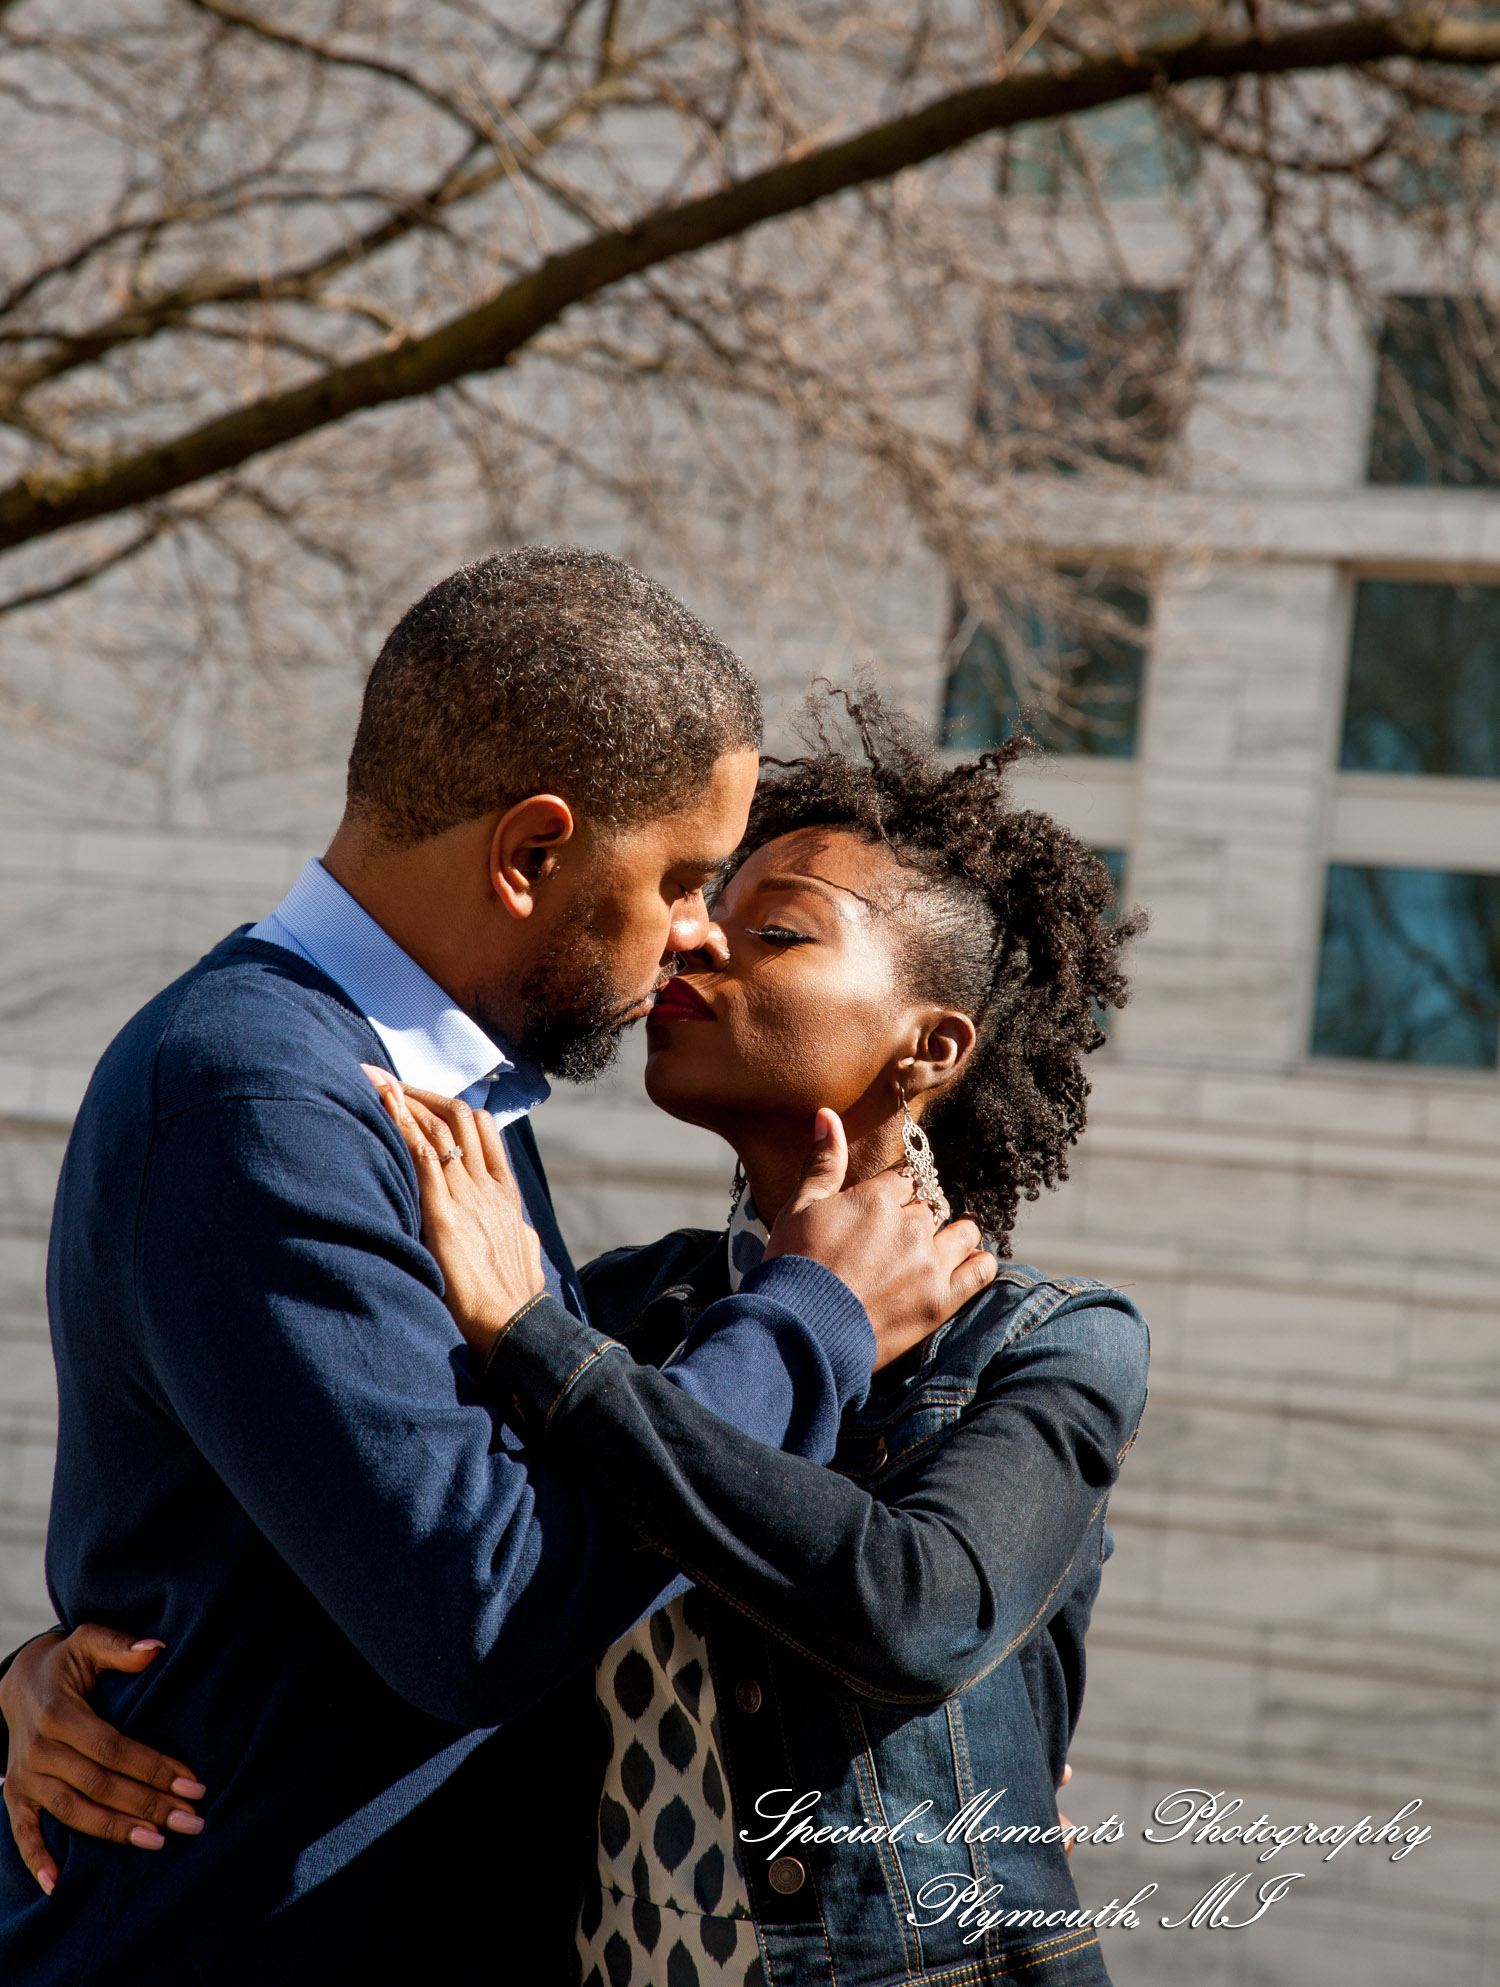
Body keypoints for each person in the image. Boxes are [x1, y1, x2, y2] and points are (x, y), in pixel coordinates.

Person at [4, 693, 1149, 1987]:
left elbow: (912, 1610)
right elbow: (408, 1536)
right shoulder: (634, 1306)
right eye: (703, 896)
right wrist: (47, 1673)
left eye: (774, 931)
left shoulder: (1049, 1346)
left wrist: (542, 1341)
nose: (700, 938)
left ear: (928, 1047)